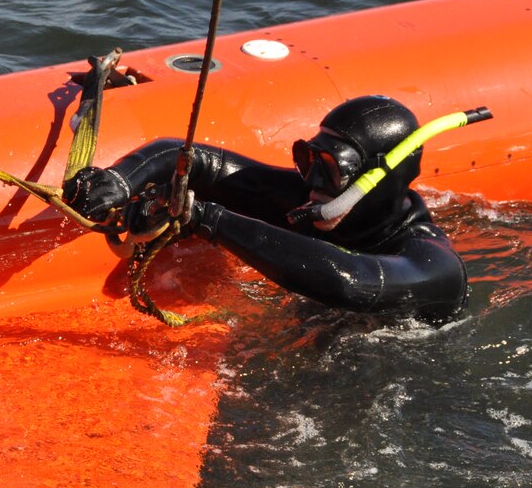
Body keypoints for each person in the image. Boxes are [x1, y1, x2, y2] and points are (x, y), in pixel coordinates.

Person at [63, 95, 468, 325]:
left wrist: (208, 219)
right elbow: (193, 159)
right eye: (308, 161)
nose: (311, 185)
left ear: (380, 182)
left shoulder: (433, 266)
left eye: (330, 170)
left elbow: (353, 281)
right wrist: (119, 181)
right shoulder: (312, 200)